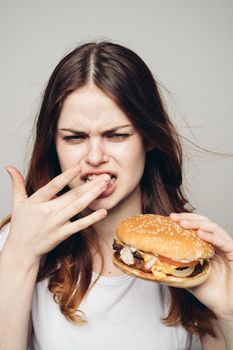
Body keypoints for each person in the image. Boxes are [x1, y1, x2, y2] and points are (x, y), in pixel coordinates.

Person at [0, 41, 232, 350]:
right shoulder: (15, 245)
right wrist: (18, 257)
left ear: (148, 138)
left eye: (116, 135)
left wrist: (230, 312)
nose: (95, 157)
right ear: (53, 144)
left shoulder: (191, 257)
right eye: (75, 137)